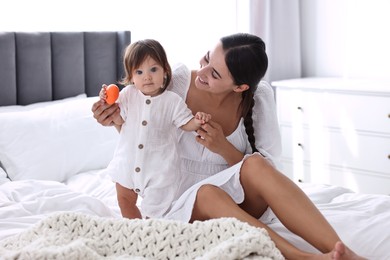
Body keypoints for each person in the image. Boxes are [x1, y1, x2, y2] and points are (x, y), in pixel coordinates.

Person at [92, 33, 364, 259]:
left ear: (239, 87)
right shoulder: (178, 82)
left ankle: (344, 253)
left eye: (215, 73)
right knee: (208, 193)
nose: (203, 72)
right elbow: (144, 133)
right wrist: (115, 120)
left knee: (256, 163)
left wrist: (223, 147)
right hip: (182, 203)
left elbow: (270, 173)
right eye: (208, 58)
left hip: (241, 201)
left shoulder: (259, 97)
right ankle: (303, 258)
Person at [100, 39, 211, 219]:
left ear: (165, 72)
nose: (147, 77)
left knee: (155, 212)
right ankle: (134, 229)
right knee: (124, 199)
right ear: (131, 77)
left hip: (159, 170)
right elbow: (119, 118)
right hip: (127, 164)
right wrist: (106, 100)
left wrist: (198, 121)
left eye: (153, 69)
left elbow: (186, 122)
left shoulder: (172, 101)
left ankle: (150, 231)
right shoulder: (128, 95)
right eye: (139, 71)